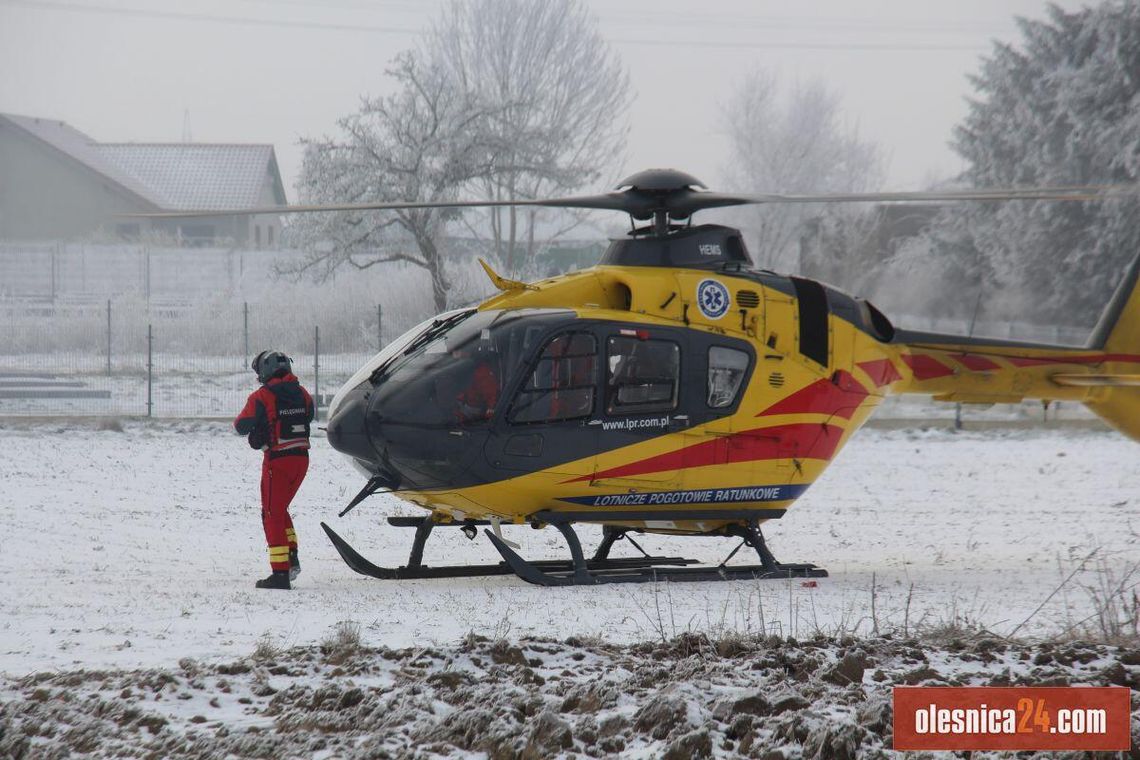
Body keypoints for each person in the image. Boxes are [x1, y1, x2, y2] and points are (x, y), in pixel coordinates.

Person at [234, 350, 314, 590]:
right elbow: (308, 416)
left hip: (277, 461)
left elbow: (240, 426)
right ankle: (292, 557)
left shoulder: (261, 396)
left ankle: (280, 574)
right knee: (280, 509)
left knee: (271, 513)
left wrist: (260, 428)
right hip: (301, 460)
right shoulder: (303, 394)